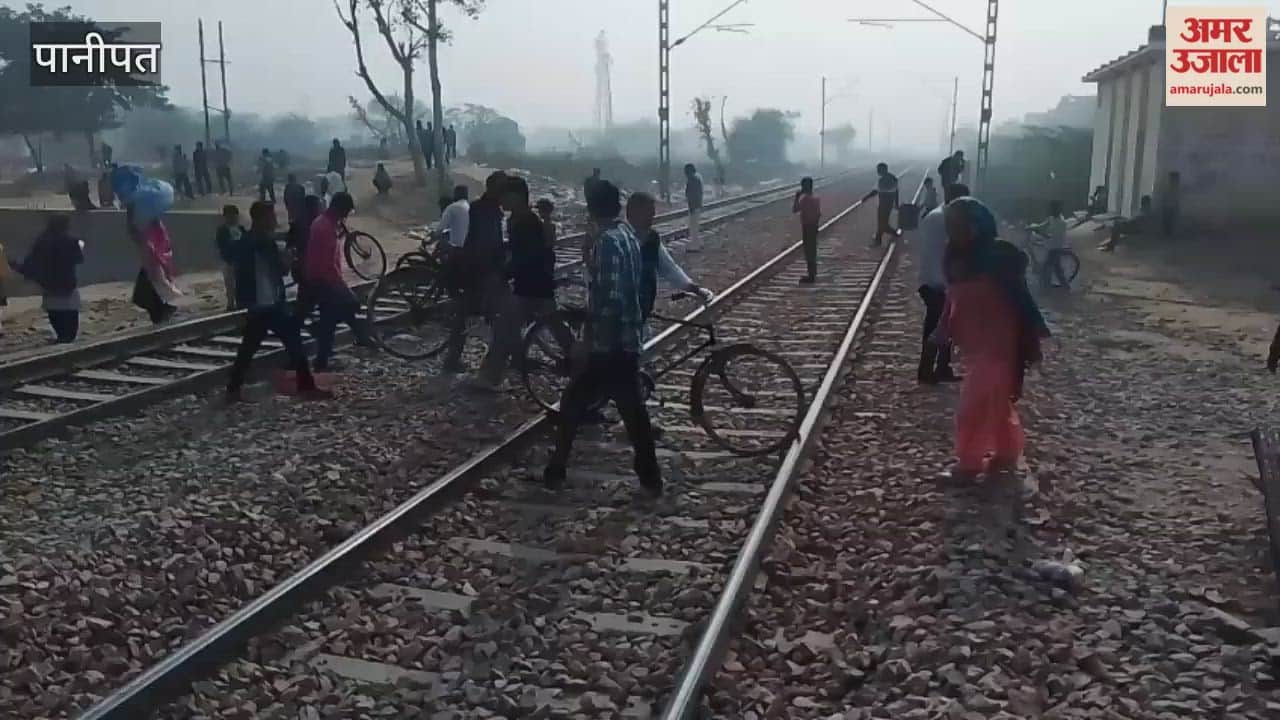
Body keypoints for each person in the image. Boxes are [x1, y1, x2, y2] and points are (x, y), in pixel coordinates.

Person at [542, 179, 660, 498]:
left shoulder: (607, 242)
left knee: (574, 403)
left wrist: (588, 333)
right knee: (631, 410)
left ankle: (557, 469)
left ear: (592, 209)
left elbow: (609, 297)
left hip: (608, 344)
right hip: (627, 336)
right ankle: (649, 476)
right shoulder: (627, 236)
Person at [933, 197, 1048, 481]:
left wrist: (1037, 329)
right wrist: (942, 327)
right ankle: (1006, 453)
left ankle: (969, 464)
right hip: (973, 344)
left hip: (999, 345)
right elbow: (952, 297)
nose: (956, 232)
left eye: (961, 226)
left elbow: (1021, 297)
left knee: (972, 405)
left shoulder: (998, 257)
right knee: (995, 401)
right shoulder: (956, 257)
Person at [226, 201, 330, 403]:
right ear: (262, 218)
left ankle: (233, 389)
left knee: (249, 348)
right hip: (268, 303)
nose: (274, 220)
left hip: (259, 303)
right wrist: (289, 258)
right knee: (292, 343)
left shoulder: (247, 240)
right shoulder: (263, 242)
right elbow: (281, 269)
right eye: (271, 216)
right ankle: (306, 387)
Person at [444, 171, 518, 386]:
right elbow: (484, 243)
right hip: (482, 270)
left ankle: (454, 359)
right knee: (502, 315)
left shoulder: (486, 208)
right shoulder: (486, 209)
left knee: (467, 315)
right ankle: (509, 360)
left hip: (478, 269)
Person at [304, 191, 373, 371]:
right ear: (340, 209)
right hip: (323, 278)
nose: (346, 216)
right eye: (346, 211)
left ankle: (361, 338)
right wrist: (340, 285)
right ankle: (322, 349)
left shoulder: (325, 223)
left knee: (339, 312)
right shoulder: (324, 228)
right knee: (346, 307)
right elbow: (325, 263)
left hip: (322, 277)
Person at [915, 183, 966, 385]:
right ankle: (926, 369)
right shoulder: (943, 220)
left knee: (947, 325)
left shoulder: (939, 216)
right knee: (936, 327)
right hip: (936, 282)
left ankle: (942, 367)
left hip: (939, 280)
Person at [10, 215, 84, 343]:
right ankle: (67, 337)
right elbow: (79, 259)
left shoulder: (42, 240)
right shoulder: (71, 241)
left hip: (49, 285)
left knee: (55, 312)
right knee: (70, 314)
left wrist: (17, 266)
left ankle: (62, 336)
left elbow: (32, 263)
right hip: (68, 284)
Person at [504, 176, 557, 326]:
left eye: (504, 195)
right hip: (531, 286)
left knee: (507, 331)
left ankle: (578, 349)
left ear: (516, 197)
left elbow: (525, 257)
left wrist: (503, 272)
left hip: (533, 288)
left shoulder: (526, 223)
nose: (501, 199)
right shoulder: (520, 219)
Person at [128, 205, 181, 324]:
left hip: (154, 266)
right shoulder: (156, 227)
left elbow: (139, 237)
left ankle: (164, 312)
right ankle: (164, 311)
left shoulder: (155, 228)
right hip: (155, 265)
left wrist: (130, 214)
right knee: (145, 296)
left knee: (142, 296)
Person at [287, 194, 324, 321]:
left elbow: (290, 245)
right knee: (307, 300)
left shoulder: (298, 223)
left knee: (307, 299)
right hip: (308, 268)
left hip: (305, 268)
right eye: (318, 206)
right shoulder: (313, 224)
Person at [1027, 200, 1071, 290]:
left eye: (1054, 209)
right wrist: (1030, 227)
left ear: (1058, 210)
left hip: (1055, 248)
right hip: (1051, 246)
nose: (1052, 211)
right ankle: (1065, 286)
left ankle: (1046, 288)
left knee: (1046, 269)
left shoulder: (1062, 223)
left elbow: (1051, 236)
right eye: (1051, 209)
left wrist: (1040, 232)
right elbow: (1042, 226)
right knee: (1057, 269)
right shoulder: (1051, 218)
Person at [793, 177, 822, 284]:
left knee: (809, 251)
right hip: (814, 226)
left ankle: (811, 276)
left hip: (807, 226)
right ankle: (813, 273)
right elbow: (818, 214)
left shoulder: (805, 199)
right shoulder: (816, 197)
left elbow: (795, 210)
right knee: (812, 250)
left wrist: (797, 197)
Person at [864, 162, 901, 246]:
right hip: (887, 203)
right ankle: (881, 238)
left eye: (878, 170)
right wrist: (896, 203)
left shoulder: (883, 180)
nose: (877, 171)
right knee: (882, 222)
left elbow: (876, 191)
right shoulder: (893, 178)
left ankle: (883, 238)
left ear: (883, 170)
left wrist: (866, 197)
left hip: (884, 204)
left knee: (882, 223)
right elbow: (896, 192)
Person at [215, 205, 244, 312]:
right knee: (230, 284)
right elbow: (221, 245)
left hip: (240, 261)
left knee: (240, 283)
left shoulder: (240, 228)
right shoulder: (222, 230)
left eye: (234, 215)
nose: (233, 218)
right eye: (230, 215)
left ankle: (240, 302)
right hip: (228, 261)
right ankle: (231, 304)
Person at [684, 163, 705, 252]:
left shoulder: (692, 179)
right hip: (697, 205)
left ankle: (695, 246)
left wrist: (691, 207)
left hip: (694, 206)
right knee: (695, 226)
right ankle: (699, 243)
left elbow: (692, 194)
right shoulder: (698, 177)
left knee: (693, 227)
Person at [1161, 171, 1180, 237]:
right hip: (1168, 207)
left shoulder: (1174, 187)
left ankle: (1168, 234)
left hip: (1170, 207)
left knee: (1170, 222)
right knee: (1168, 222)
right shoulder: (1169, 187)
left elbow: (1176, 198)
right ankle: (1167, 234)